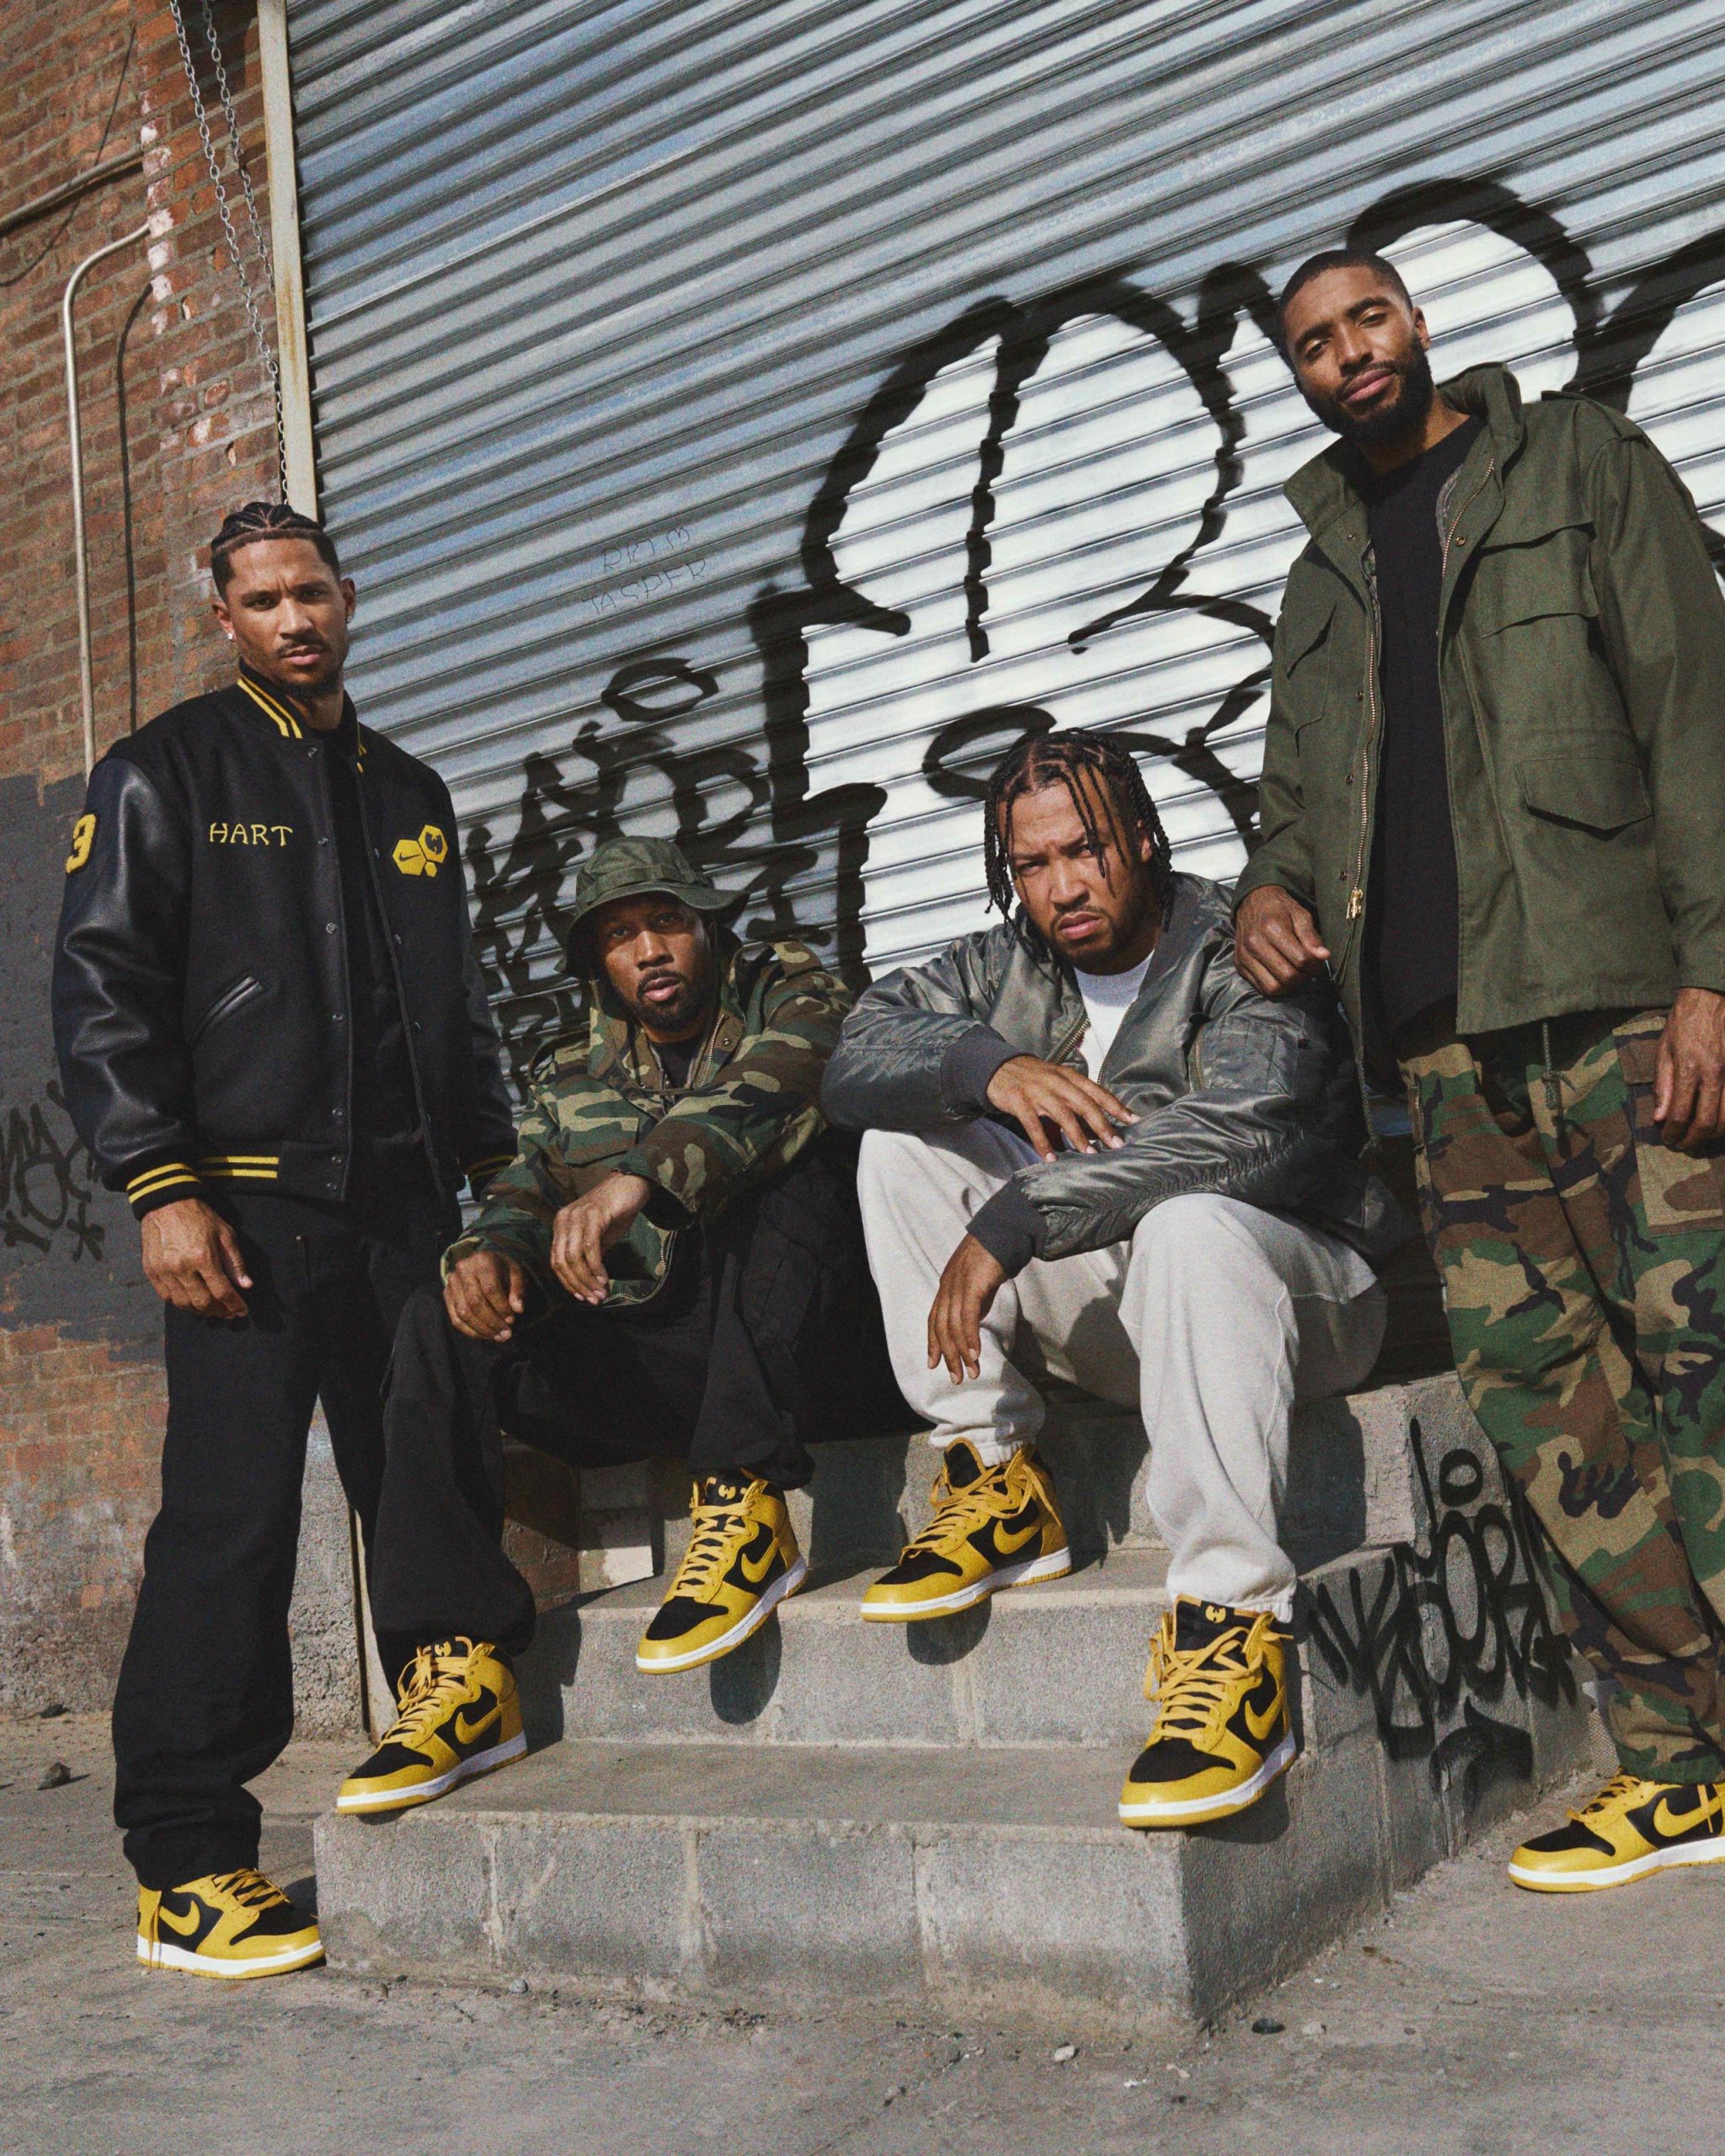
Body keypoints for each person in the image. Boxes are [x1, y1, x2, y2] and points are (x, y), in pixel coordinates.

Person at [1236, 246, 1725, 1892]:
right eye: (1313, 344)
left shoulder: (1573, 462)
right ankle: (1678, 1764)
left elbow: (1693, 717)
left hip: (1618, 1009)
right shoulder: (1320, 576)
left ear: (1417, 322)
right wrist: (1269, 891)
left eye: (1365, 319)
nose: (1346, 354)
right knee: (1549, 1414)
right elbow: (1292, 806)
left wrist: (1712, 976)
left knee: (1703, 1369)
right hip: (1440, 1062)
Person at [51, 502, 516, 1977]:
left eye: (310, 592)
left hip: (402, 1209)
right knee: (231, 1523)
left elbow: (454, 1013)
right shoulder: (165, 772)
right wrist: (158, 1184)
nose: (292, 620)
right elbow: (103, 989)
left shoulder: (409, 790)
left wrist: (495, 1188)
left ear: (349, 596)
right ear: (225, 618)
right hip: (243, 1208)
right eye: (260, 601)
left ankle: (452, 1689)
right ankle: (187, 1864)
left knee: (427, 1466)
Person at [820, 729, 1403, 1828]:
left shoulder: (1236, 943)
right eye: (1031, 864)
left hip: (1303, 1297)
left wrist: (1019, 1212)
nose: (1061, 887)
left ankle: (1231, 1626)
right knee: (896, 1141)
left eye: (1083, 850)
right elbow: (855, 1050)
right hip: (1132, 1320)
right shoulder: (1003, 966)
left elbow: (1250, 1123)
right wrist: (988, 1068)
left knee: (1190, 1221)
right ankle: (994, 1477)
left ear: (1140, 837)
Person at [334, 835, 902, 1816]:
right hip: (668, 1363)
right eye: (619, 936)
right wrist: (489, 1256)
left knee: (790, 1164)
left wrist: (639, 1179)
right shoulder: (572, 1070)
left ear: (707, 926)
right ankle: (459, 1670)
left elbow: (781, 1084)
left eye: (666, 922)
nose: (648, 951)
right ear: (599, 961)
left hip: (817, 1349)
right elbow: (523, 1189)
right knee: (440, 1313)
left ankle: (744, 1507)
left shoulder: (793, 990)